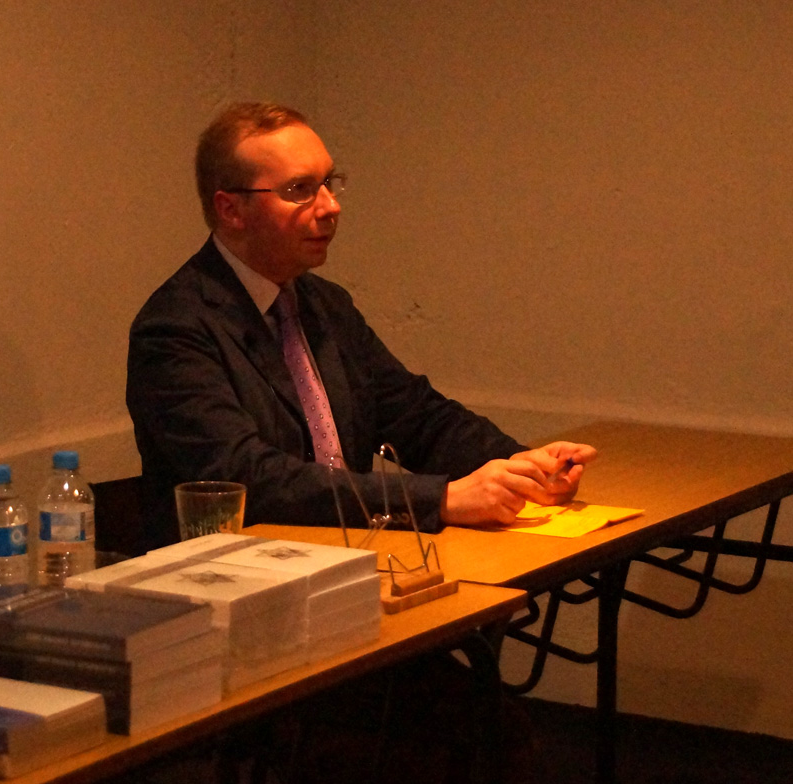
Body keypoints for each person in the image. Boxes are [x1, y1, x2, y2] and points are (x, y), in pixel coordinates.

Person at [126, 101, 596, 551]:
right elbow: (247, 478)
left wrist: (519, 465)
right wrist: (440, 499)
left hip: (342, 558)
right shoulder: (174, 328)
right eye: (299, 190)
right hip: (235, 580)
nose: (330, 206)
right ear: (231, 210)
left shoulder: (325, 304)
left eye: (328, 183)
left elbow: (415, 416)